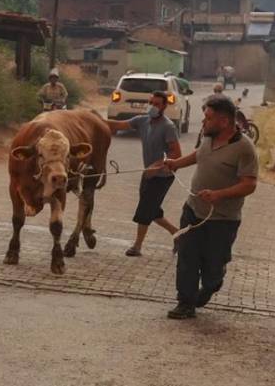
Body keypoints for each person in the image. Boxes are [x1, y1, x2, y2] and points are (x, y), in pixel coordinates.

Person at [157, 95, 259, 319]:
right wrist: (176, 163)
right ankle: (185, 303)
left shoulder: (244, 148)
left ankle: (212, 283)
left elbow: (249, 184)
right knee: (187, 257)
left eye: (208, 118)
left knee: (213, 268)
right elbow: (199, 155)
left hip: (223, 219)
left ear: (224, 121)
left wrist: (219, 195)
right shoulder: (207, 136)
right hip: (193, 211)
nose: (203, 122)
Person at [105, 91, 182, 257]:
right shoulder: (142, 121)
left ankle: (137, 246)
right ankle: (178, 234)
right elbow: (119, 125)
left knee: (145, 210)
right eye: (151, 102)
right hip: (147, 174)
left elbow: (176, 154)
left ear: (164, 106)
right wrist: (94, 120)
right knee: (152, 211)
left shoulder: (168, 127)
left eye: (157, 104)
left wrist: (157, 166)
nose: (153, 106)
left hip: (162, 176)